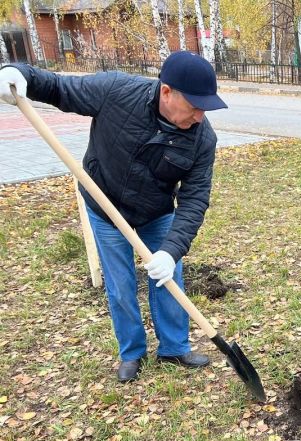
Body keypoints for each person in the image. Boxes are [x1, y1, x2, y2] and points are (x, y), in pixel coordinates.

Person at [0, 51, 228, 383]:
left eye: (204, 107)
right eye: (194, 106)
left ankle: (174, 348)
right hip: (105, 208)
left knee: (169, 276)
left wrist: (170, 250)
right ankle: (132, 353)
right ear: (167, 92)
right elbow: (60, 89)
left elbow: (194, 200)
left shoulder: (202, 140)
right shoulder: (116, 91)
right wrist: (19, 74)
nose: (199, 116)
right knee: (120, 284)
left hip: (155, 213)